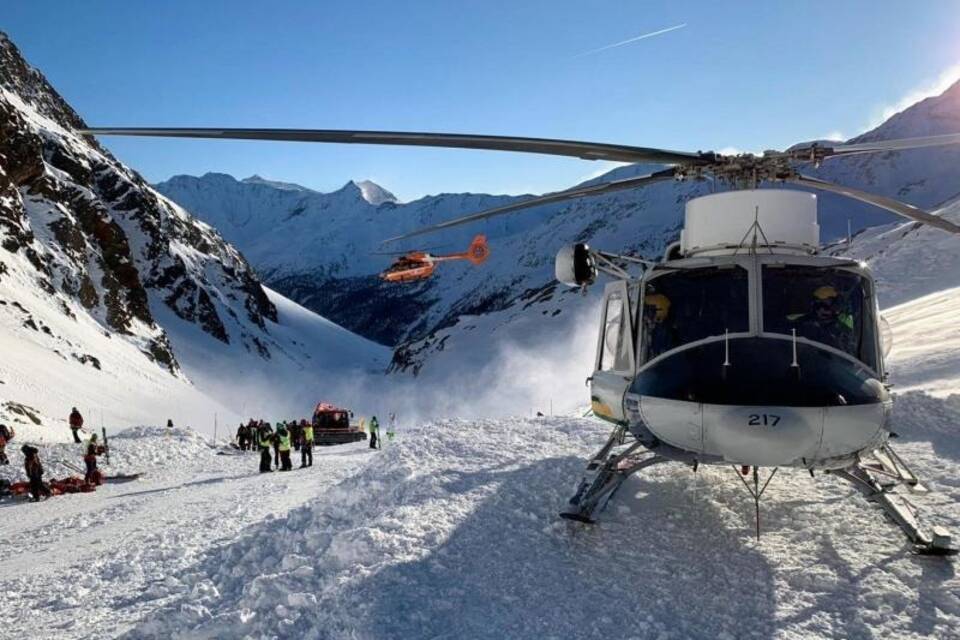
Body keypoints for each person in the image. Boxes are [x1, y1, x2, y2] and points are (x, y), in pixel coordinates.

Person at [794, 285, 855, 353]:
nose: (821, 310)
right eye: (817, 306)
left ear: (836, 306)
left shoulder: (842, 330)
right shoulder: (801, 323)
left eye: (826, 306)